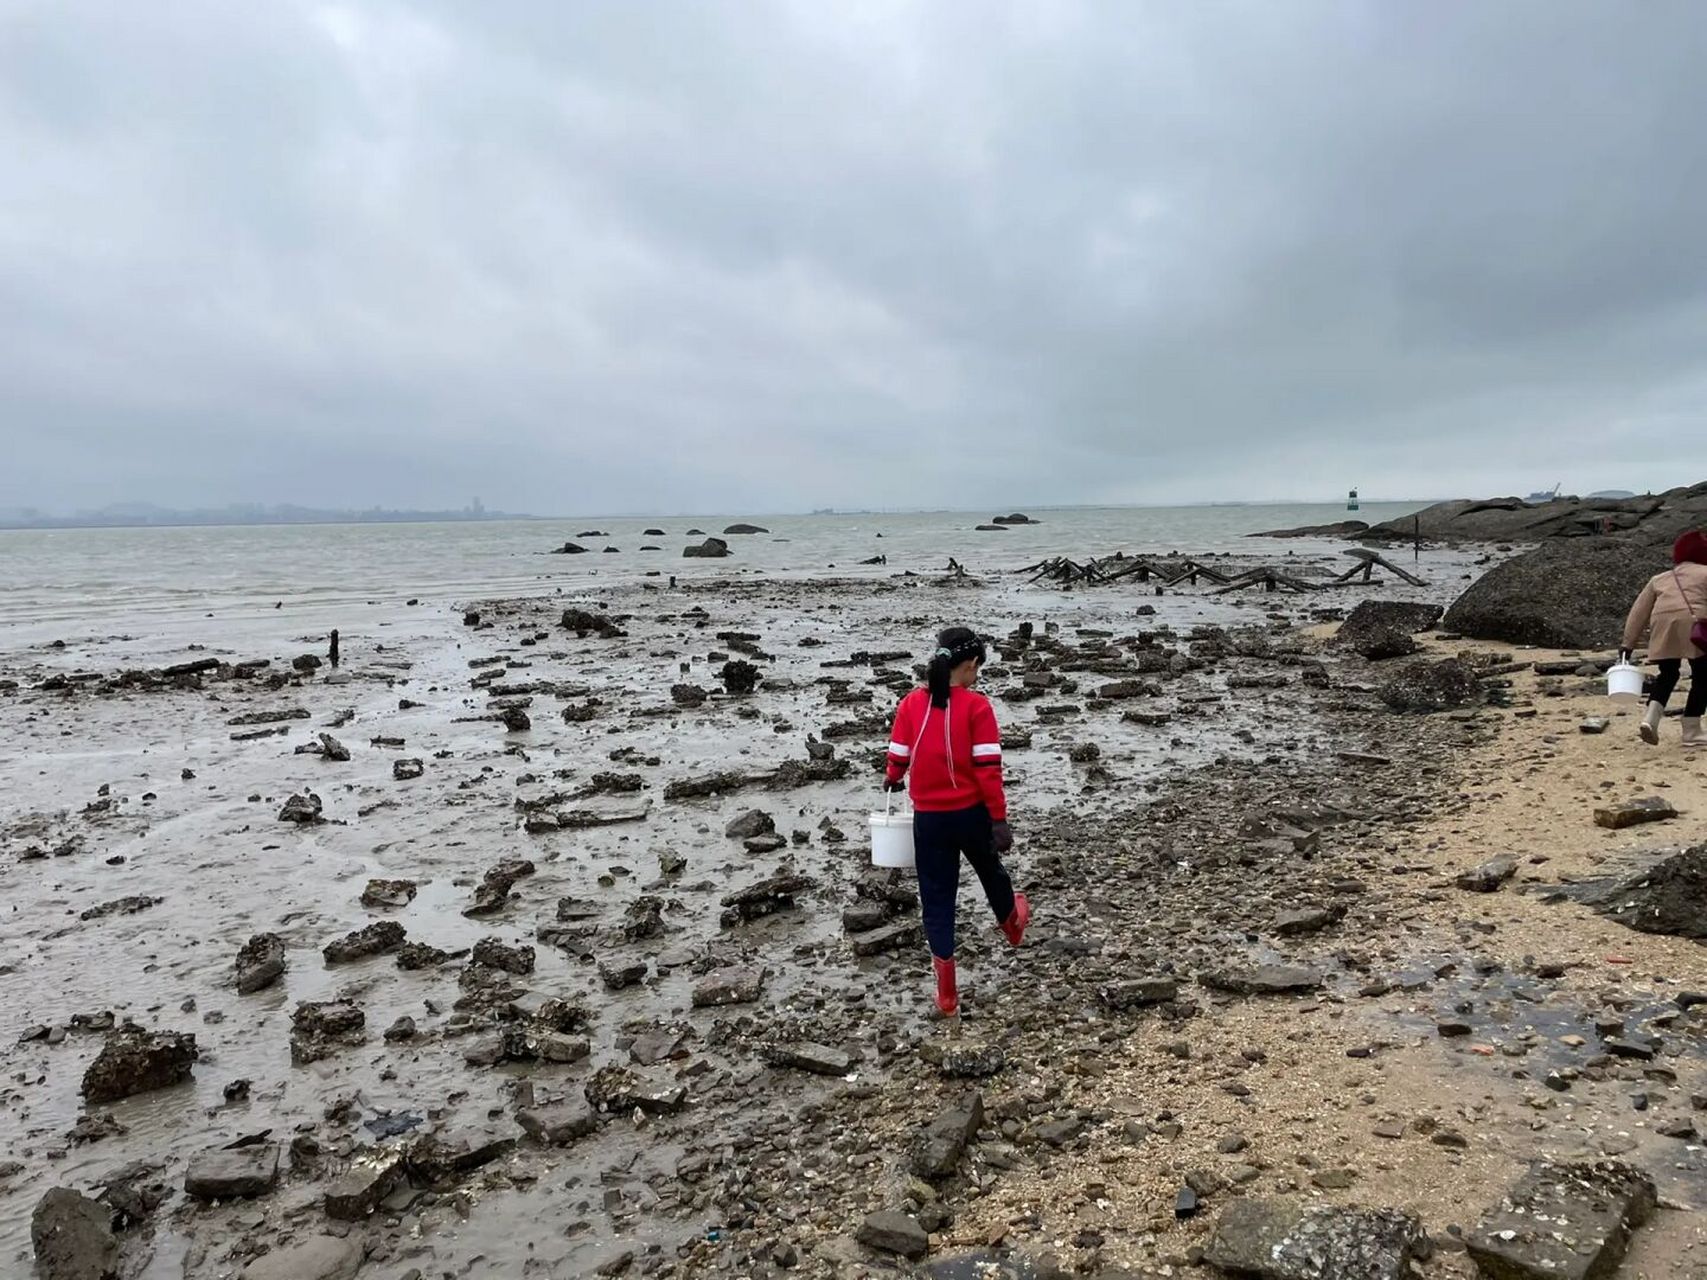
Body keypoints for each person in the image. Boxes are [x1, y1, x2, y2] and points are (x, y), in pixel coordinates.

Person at [884, 626, 1030, 1017]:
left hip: (929, 819)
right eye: (976, 668)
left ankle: (946, 993)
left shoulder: (911, 704)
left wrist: (893, 777)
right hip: (970, 814)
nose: (977, 676)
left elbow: (898, 754)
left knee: (936, 898)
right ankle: (1012, 925)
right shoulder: (977, 707)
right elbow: (988, 769)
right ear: (968, 665)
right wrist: (998, 820)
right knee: (991, 873)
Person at [1621, 530, 1707, 747]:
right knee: (1703, 676)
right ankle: (1692, 729)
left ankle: (1650, 720)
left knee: (1667, 674)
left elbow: (1638, 612)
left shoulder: (1659, 579)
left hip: (1661, 624)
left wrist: (1627, 644)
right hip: (1694, 625)